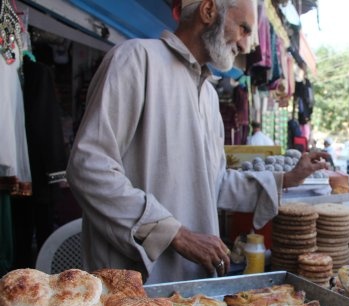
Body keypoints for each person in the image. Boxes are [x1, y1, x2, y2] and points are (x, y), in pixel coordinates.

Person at [66, 0, 329, 284]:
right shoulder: (135, 59)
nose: (245, 45)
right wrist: (174, 233)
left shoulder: (209, 95)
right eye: (242, 28)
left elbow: (213, 182)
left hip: (192, 289)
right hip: (132, 287)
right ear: (208, 11)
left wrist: (287, 179)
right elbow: (89, 168)